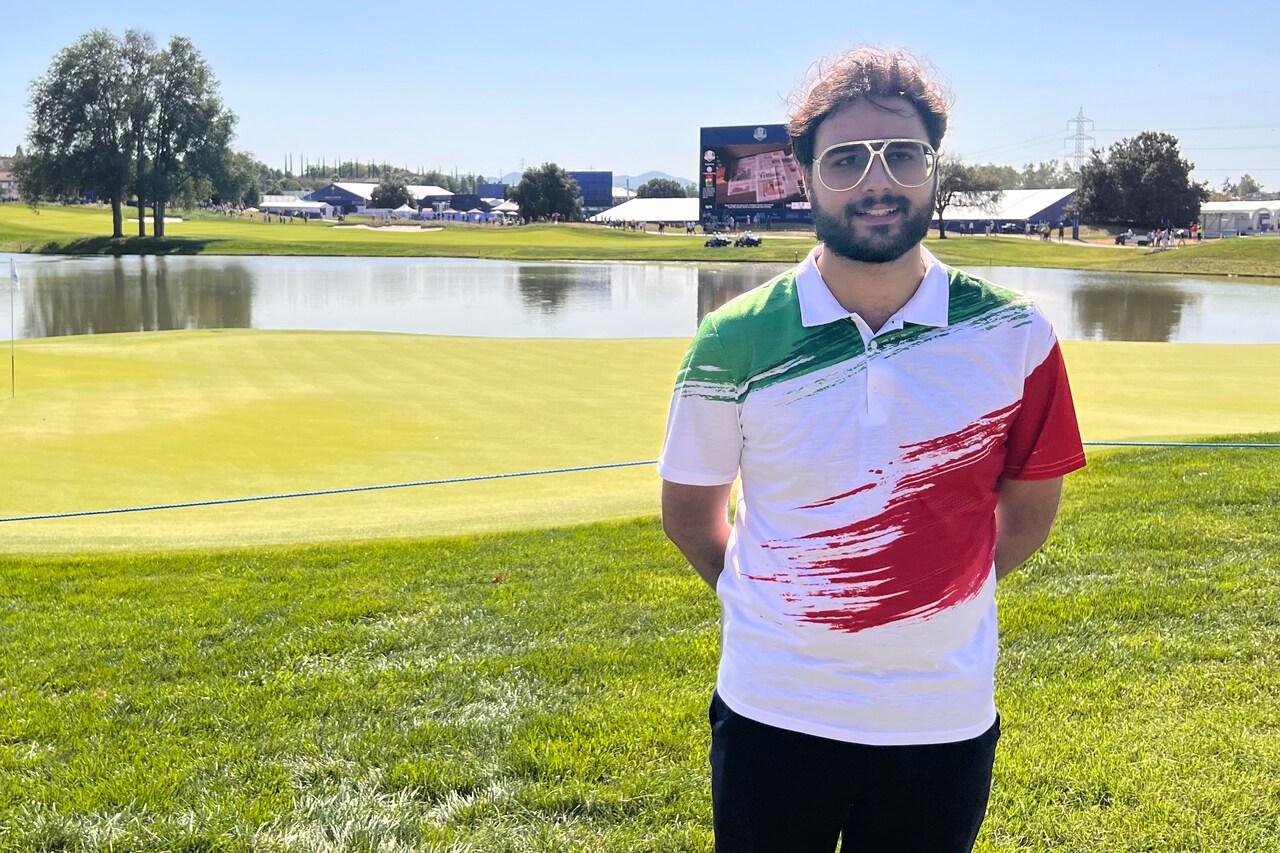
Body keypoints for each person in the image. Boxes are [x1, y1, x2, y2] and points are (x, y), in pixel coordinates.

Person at [658, 46, 1087, 853]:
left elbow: (1029, 513)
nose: (876, 181)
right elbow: (689, 513)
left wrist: (936, 588)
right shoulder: (731, 340)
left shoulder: (1016, 334)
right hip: (772, 712)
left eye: (903, 155)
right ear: (805, 175)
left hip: (942, 719)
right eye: (846, 158)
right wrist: (770, 604)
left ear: (935, 170)